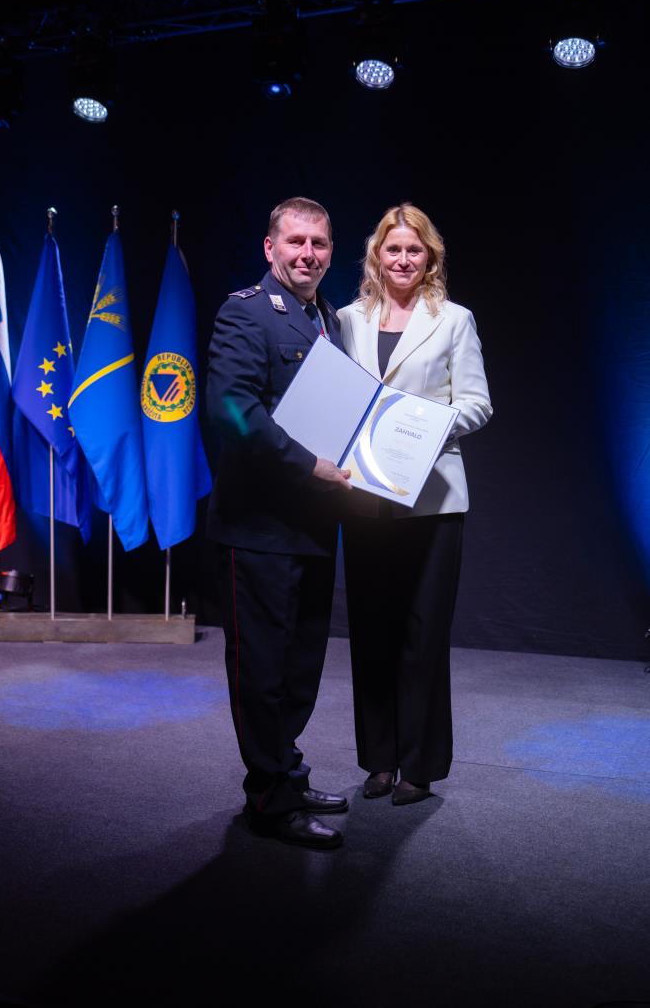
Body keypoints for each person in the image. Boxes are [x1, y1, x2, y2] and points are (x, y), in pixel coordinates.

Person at [206, 196, 352, 850]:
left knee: (299, 668)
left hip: (315, 527)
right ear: (270, 248)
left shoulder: (329, 320)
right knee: (262, 671)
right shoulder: (246, 312)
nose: (307, 254)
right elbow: (232, 410)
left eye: (318, 244)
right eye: (295, 241)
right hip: (259, 529)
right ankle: (269, 798)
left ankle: (287, 770)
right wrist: (309, 466)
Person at [337, 203, 492, 806]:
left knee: (422, 633)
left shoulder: (453, 320)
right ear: (376, 255)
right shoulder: (346, 319)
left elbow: (476, 403)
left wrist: (420, 429)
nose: (403, 259)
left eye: (414, 250)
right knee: (371, 628)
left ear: (431, 258)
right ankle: (379, 761)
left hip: (432, 500)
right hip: (364, 499)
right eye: (393, 249)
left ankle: (419, 767)